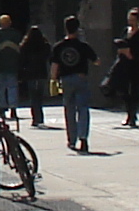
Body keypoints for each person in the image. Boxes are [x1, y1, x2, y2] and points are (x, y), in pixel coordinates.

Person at [53, 15, 97, 153]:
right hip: (80, 78)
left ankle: (71, 140)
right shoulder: (83, 46)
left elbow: (55, 65)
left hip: (66, 79)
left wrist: (53, 80)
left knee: (69, 110)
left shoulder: (59, 47)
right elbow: (97, 61)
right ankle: (83, 138)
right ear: (78, 28)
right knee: (83, 108)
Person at [110, 8, 139, 128]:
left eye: (133, 19)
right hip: (124, 64)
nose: (130, 22)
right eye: (129, 19)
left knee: (134, 90)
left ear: (137, 20)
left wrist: (129, 52)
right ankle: (129, 112)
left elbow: (138, 48)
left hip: (135, 64)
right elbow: (121, 43)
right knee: (122, 89)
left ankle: (132, 116)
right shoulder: (125, 30)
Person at [18, 22, 52, 130]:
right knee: (39, 97)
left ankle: (35, 118)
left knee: (33, 97)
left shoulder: (26, 46)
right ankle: (40, 117)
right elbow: (49, 56)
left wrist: (21, 73)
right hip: (41, 72)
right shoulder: (45, 46)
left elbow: (22, 60)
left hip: (31, 73)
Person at [0, 14, 23, 119]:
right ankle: (13, 109)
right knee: (12, 87)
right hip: (13, 65)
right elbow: (20, 49)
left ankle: (2, 108)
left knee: (1, 88)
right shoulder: (16, 34)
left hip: (0, 65)